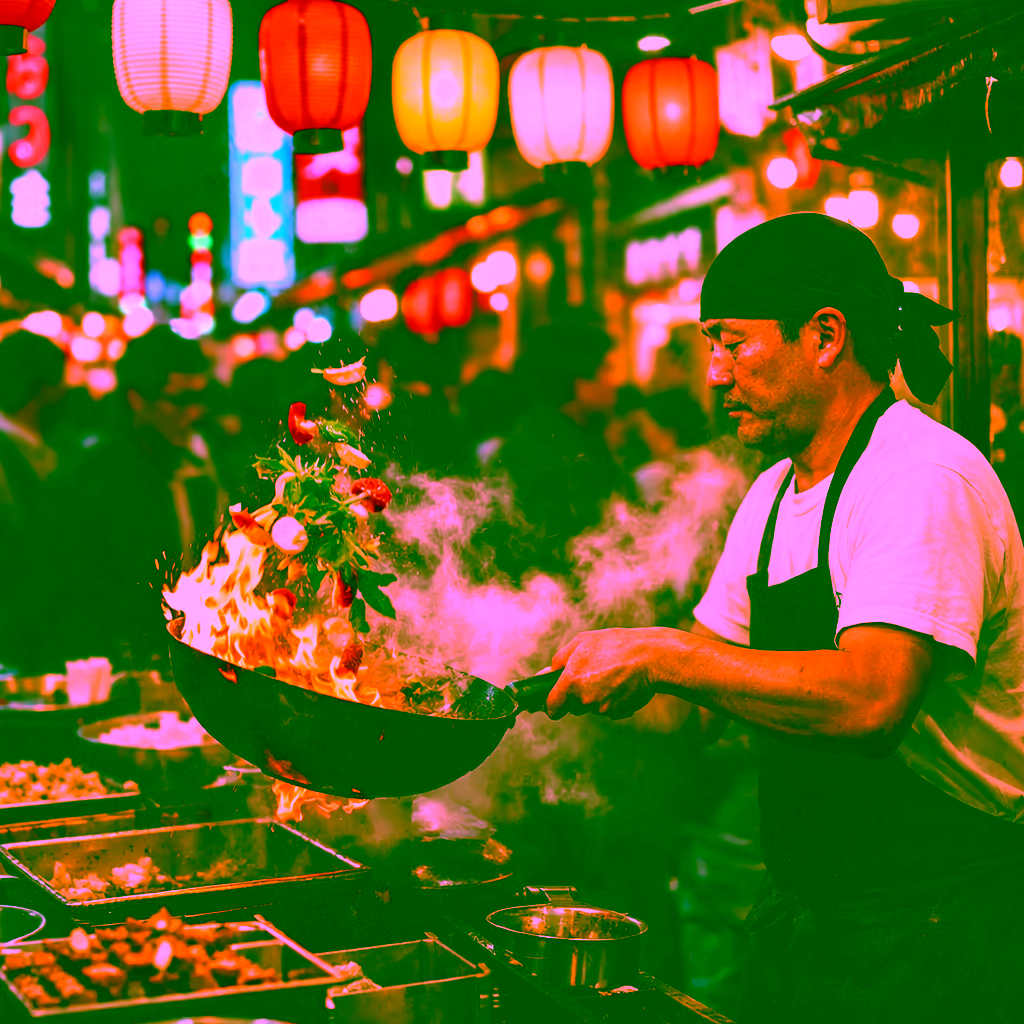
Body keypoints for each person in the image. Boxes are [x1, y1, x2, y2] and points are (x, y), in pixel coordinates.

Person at [545, 212, 1024, 1023]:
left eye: (732, 342)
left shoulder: (920, 476)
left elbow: (872, 698)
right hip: (821, 916)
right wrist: (540, 678)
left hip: (942, 924)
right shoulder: (772, 497)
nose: (717, 375)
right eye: (711, 348)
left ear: (825, 336)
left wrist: (664, 653)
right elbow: (686, 709)